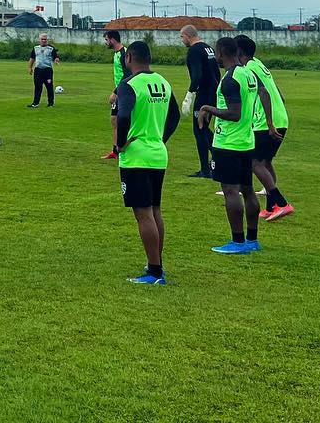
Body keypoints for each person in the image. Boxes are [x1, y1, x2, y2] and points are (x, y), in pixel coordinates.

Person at [197, 37, 278, 255]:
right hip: (246, 141)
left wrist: (207, 108)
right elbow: (263, 94)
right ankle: (252, 239)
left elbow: (234, 113)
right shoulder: (249, 73)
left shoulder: (230, 79)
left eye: (217, 53)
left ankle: (238, 241)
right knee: (248, 189)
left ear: (222, 53)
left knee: (231, 191)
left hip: (229, 143)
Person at [114, 41, 179, 284]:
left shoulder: (128, 84)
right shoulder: (163, 81)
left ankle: (153, 271)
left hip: (137, 156)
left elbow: (123, 115)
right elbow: (174, 115)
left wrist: (120, 143)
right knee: (154, 210)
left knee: (143, 214)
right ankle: (157, 264)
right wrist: (161, 138)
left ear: (129, 57)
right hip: (158, 153)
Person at [237, 35, 293, 221]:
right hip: (281, 117)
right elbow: (277, 90)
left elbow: (263, 92)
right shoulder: (259, 64)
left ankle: (281, 203)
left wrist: (269, 123)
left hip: (266, 121)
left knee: (255, 162)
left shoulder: (249, 69)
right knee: (266, 161)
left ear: (239, 52)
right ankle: (271, 206)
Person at [178, 25, 220, 178]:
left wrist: (189, 94)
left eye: (182, 37)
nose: (182, 40)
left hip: (204, 94)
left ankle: (208, 167)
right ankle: (213, 163)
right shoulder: (208, 49)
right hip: (213, 92)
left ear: (188, 36)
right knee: (203, 128)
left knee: (199, 129)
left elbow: (197, 74)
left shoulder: (194, 51)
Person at [102, 30, 128, 160]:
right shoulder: (117, 53)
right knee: (114, 120)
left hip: (125, 92)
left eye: (106, 40)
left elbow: (128, 74)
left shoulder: (124, 54)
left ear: (112, 40)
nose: (106, 42)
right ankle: (116, 151)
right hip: (121, 91)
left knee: (122, 121)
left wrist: (116, 92)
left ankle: (122, 150)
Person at [27, 33, 59, 107]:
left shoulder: (51, 49)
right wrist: (30, 67)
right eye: (42, 39)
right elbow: (32, 58)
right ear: (39, 40)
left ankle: (50, 103)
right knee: (38, 87)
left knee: (49, 87)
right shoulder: (35, 48)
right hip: (38, 70)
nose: (44, 41)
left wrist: (56, 60)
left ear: (47, 40)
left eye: (45, 39)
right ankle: (35, 103)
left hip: (47, 70)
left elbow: (56, 57)